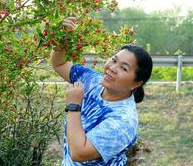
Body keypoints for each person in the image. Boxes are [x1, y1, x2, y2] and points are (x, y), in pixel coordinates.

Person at [50, 17, 153, 165]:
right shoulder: (92, 81)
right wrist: (64, 39)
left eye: (123, 68)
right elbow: (59, 64)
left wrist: (73, 106)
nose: (112, 68)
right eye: (113, 60)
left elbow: (79, 153)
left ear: (136, 83)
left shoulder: (123, 121)